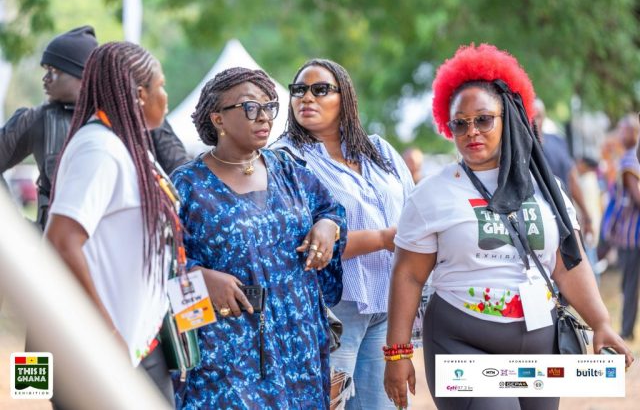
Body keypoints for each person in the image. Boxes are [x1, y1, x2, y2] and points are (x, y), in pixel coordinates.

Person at [383, 44, 634, 410]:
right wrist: (397, 352)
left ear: (509, 117)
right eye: (460, 123)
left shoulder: (546, 188)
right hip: (462, 341)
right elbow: (407, 275)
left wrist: (601, 323)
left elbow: (568, 263)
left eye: (483, 119)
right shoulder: (432, 194)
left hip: (539, 340)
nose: (472, 131)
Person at [170, 67, 347, 409]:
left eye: (269, 107)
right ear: (218, 118)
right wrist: (201, 278)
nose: (264, 116)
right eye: (251, 107)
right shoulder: (187, 186)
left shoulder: (288, 170)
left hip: (298, 342)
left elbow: (331, 209)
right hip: (227, 353)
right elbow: (160, 264)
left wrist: (328, 226)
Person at [273, 58, 414, 410]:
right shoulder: (285, 160)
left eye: (320, 89)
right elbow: (302, 245)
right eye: (299, 90)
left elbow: (414, 209)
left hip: (389, 304)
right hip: (331, 312)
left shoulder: (379, 151)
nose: (307, 97)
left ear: (345, 97)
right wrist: (383, 239)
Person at [45, 42, 180, 404]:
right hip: (99, 355)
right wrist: (107, 335)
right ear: (140, 95)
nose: (166, 96)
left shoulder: (126, 144)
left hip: (138, 347)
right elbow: (61, 241)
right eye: (161, 86)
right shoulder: (100, 149)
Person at [0, 25, 188, 229]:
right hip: (60, 243)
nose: (45, 79)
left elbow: (184, 178)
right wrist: (19, 230)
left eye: (54, 71)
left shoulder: (140, 115)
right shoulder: (37, 119)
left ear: (83, 75)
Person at [534, 98, 594, 238]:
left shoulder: (557, 140)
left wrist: (586, 215)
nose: (535, 121)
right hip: (542, 220)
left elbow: (572, 177)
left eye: (538, 116)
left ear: (544, 117)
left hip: (566, 215)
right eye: (531, 116)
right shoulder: (522, 148)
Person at [612, 114, 640, 340]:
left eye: (624, 131)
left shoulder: (630, 161)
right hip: (628, 234)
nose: (620, 135)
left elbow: (636, 197)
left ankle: (627, 330)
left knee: (629, 285)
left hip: (632, 235)